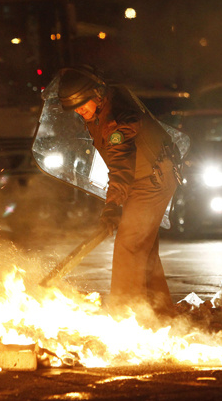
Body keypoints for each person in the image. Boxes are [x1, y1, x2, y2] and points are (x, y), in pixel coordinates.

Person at [49, 65, 182, 318]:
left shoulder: (116, 124)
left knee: (128, 246)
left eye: (82, 104)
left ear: (97, 96)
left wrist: (112, 206)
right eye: (75, 107)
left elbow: (121, 167)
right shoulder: (105, 102)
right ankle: (160, 312)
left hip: (151, 181)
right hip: (146, 176)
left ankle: (126, 315)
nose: (79, 110)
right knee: (143, 248)